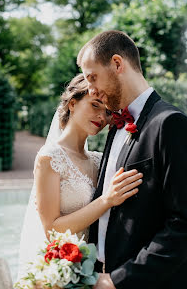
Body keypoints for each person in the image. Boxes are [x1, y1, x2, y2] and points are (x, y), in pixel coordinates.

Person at [77, 30, 187, 289]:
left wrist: (119, 279)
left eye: (93, 78)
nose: (91, 90)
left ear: (117, 64)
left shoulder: (172, 125)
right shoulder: (115, 127)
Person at [17, 74, 143, 279]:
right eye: (95, 105)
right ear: (72, 104)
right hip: (61, 270)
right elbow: (51, 230)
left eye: (108, 111)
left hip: (92, 269)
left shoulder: (99, 159)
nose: (102, 117)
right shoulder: (50, 157)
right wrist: (106, 200)